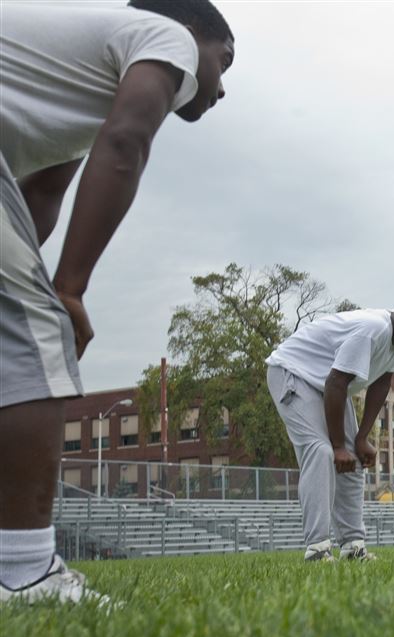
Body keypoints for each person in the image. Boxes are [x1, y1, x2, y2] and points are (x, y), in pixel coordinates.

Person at [0, 0, 236, 604]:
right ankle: (22, 575)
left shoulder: (75, 82)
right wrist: (66, 290)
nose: (221, 88)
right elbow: (126, 143)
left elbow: (45, 191)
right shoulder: (167, 38)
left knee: (24, 325)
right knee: (41, 336)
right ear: (194, 37)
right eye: (224, 62)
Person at [265, 300, 394, 562]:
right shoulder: (370, 332)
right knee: (322, 451)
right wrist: (338, 446)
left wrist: (361, 439)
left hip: (329, 385)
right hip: (294, 373)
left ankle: (352, 547)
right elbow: (337, 382)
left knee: (354, 459)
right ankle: (317, 548)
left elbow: (382, 382)